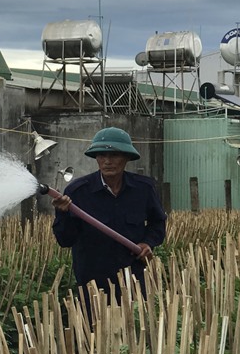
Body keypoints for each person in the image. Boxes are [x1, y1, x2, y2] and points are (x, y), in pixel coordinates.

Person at [50, 127, 167, 305]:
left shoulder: (144, 189)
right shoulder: (78, 192)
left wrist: (147, 243)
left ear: (127, 158)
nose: (107, 161)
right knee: (93, 330)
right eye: (101, 156)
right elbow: (65, 240)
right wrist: (63, 213)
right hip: (93, 284)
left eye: (114, 155)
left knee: (134, 328)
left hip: (133, 279)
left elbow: (157, 223)